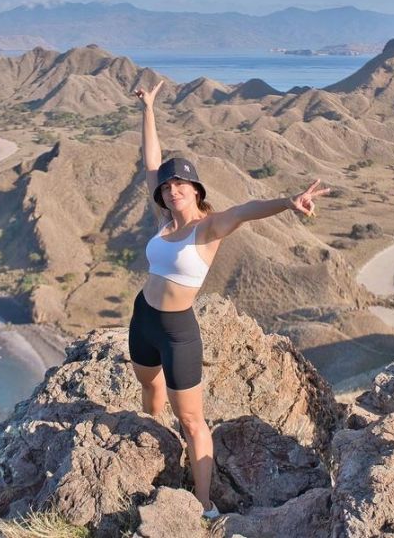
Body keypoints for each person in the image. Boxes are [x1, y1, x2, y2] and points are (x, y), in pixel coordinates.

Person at [129, 80, 329, 519]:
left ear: (196, 190)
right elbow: (151, 163)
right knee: (148, 386)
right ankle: (153, 442)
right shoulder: (163, 220)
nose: (171, 189)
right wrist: (148, 108)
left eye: (181, 184)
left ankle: (203, 503)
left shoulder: (209, 227)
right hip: (143, 317)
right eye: (167, 187)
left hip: (177, 330)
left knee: (193, 420)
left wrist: (289, 202)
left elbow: (246, 209)